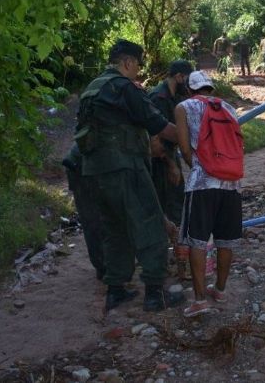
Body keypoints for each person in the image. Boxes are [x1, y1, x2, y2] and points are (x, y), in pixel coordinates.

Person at [75, 39, 185, 312]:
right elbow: (161, 127)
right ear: (127, 62)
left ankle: (115, 290)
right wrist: (194, 140)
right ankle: (154, 294)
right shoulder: (124, 88)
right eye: (137, 65)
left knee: (115, 229)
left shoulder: (92, 89)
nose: (138, 71)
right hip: (125, 167)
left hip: (93, 172)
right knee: (148, 224)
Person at [174, 70, 243, 318]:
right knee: (226, 240)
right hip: (232, 184)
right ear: (210, 88)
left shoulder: (184, 107)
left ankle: (200, 299)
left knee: (197, 241)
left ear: (189, 89)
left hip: (202, 184)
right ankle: (221, 290)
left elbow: (184, 147)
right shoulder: (228, 108)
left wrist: (197, 168)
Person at [148, 60, 194, 279]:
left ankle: (174, 260)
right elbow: (156, 140)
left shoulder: (171, 96)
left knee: (174, 206)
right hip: (161, 161)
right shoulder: (159, 98)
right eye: (188, 79)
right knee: (171, 208)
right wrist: (172, 165)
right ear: (179, 77)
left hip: (168, 157)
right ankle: (175, 264)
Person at [62, 143, 105, 281]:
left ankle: (104, 267)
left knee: (94, 219)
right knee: (93, 220)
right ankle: (103, 268)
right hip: (81, 166)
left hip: (84, 162)